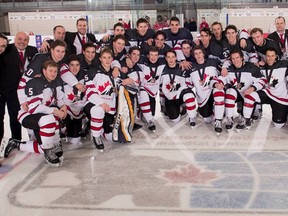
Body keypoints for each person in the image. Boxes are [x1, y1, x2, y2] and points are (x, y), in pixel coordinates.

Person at [3, 60, 66, 166]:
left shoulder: (55, 82)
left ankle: (16, 144)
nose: (53, 73)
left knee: (42, 146)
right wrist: (55, 111)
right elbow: (34, 108)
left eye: (55, 71)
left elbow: (59, 99)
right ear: (44, 71)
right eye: (50, 71)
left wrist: (64, 108)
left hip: (42, 115)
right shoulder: (35, 82)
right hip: (28, 115)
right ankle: (49, 149)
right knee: (50, 118)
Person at [0, 32, 38, 145]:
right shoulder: (7, 49)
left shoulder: (33, 50)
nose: (22, 41)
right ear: (14, 39)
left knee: (15, 118)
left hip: (18, 92)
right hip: (3, 90)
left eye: (25, 39)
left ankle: (16, 142)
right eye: (19, 39)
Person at [223, 50, 266, 131]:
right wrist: (217, 83)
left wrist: (253, 88)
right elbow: (219, 79)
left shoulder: (252, 67)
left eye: (237, 58)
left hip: (248, 94)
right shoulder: (229, 69)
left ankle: (246, 118)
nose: (235, 60)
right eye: (233, 59)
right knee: (229, 91)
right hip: (238, 94)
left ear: (242, 58)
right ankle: (229, 118)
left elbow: (263, 80)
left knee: (249, 102)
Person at [187, 47, 225, 134]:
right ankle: (211, 109)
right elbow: (188, 84)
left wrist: (224, 69)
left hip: (214, 89)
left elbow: (224, 70)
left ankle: (218, 121)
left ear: (203, 53)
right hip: (203, 96)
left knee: (219, 93)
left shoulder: (213, 62)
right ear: (193, 55)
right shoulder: (191, 67)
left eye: (200, 52)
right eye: (196, 54)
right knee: (207, 120)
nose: (198, 55)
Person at [160, 50, 197, 127]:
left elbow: (190, 83)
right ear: (166, 58)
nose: (171, 59)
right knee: (175, 120)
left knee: (189, 95)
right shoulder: (162, 69)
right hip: (170, 97)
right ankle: (181, 108)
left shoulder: (182, 67)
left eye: (173, 57)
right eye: (169, 57)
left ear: (176, 58)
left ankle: (192, 117)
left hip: (181, 94)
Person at [258, 47, 288, 128]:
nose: (270, 58)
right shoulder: (261, 67)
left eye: (272, 56)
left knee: (278, 125)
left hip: (280, 98)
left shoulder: (284, 64)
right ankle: (250, 115)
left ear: (276, 56)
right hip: (267, 94)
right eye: (268, 56)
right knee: (251, 95)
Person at [137, 46, 166, 131]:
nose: (153, 57)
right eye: (151, 55)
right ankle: (150, 121)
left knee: (151, 114)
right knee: (149, 117)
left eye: (155, 55)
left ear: (158, 56)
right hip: (143, 89)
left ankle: (139, 112)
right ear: (148, 56)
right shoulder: (142, 63)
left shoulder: (162, 64)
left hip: (153, 93)